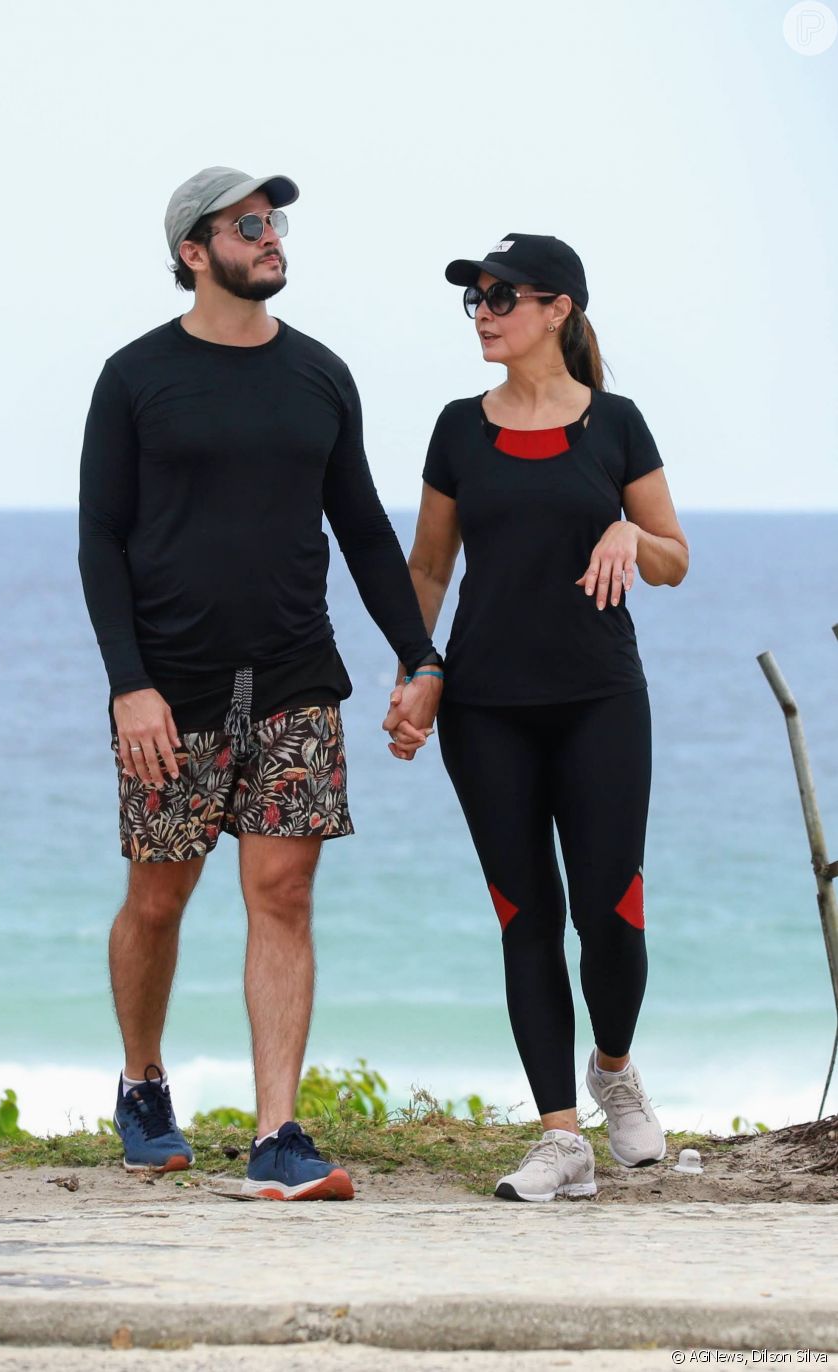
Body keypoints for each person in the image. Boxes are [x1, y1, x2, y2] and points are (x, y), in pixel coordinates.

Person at [78, 165, 442, 1197]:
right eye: (248, 224)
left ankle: (278, 1132)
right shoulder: (135, 377)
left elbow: (365, 530)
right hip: (170, 688)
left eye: (274, 220)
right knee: (158, 898)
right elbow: (99, 540)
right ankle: (143, 1084)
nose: (270, 235)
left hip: (292, 678)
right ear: (195, 251)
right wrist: (126, 683)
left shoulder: (319, 374)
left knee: (282, 891)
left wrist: (418, 656)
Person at [383, 233, 689, 1201]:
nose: (482, 310)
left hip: (600, 699)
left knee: (611, 912)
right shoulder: (454, 428)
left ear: (557, 308)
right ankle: (560, 1135)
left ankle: (611, 1068)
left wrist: (626, 529)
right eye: (473, 298)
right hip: (485, 710)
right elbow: (428, 568)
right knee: (525, 916)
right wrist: (415, 667)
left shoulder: (616, 425)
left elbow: (674, 556)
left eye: (500, 295)